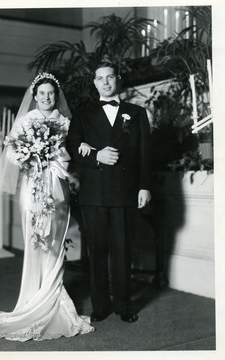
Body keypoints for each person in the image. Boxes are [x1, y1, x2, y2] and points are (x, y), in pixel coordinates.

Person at [0, 73, 94, 341]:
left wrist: (53, 155)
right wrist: (33, 156)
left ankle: (56, 300)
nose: (47, 97)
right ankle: (33, 298)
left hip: (58, 186)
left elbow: (71, 153)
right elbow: (12, 154)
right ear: (34, 96)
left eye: (51, 93)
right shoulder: (26, 121)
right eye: (42, 94)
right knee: (37, 241)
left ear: (56, 96)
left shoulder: (66, 122)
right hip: (33, 187)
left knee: (57, 241)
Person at [66, 62, 152, 323]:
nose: (105, 82)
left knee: (123, 250)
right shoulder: (83, 113)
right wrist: (96, 156)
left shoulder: (136, 113)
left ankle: (124, 305)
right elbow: (71, 146)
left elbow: (145, 153)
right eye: (100, 78)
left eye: (110, 77)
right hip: (94, 193)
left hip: (126, 192)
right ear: (94, 83)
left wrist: (145, 186)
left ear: (118, 80)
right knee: (97, 251)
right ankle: (100, 305)